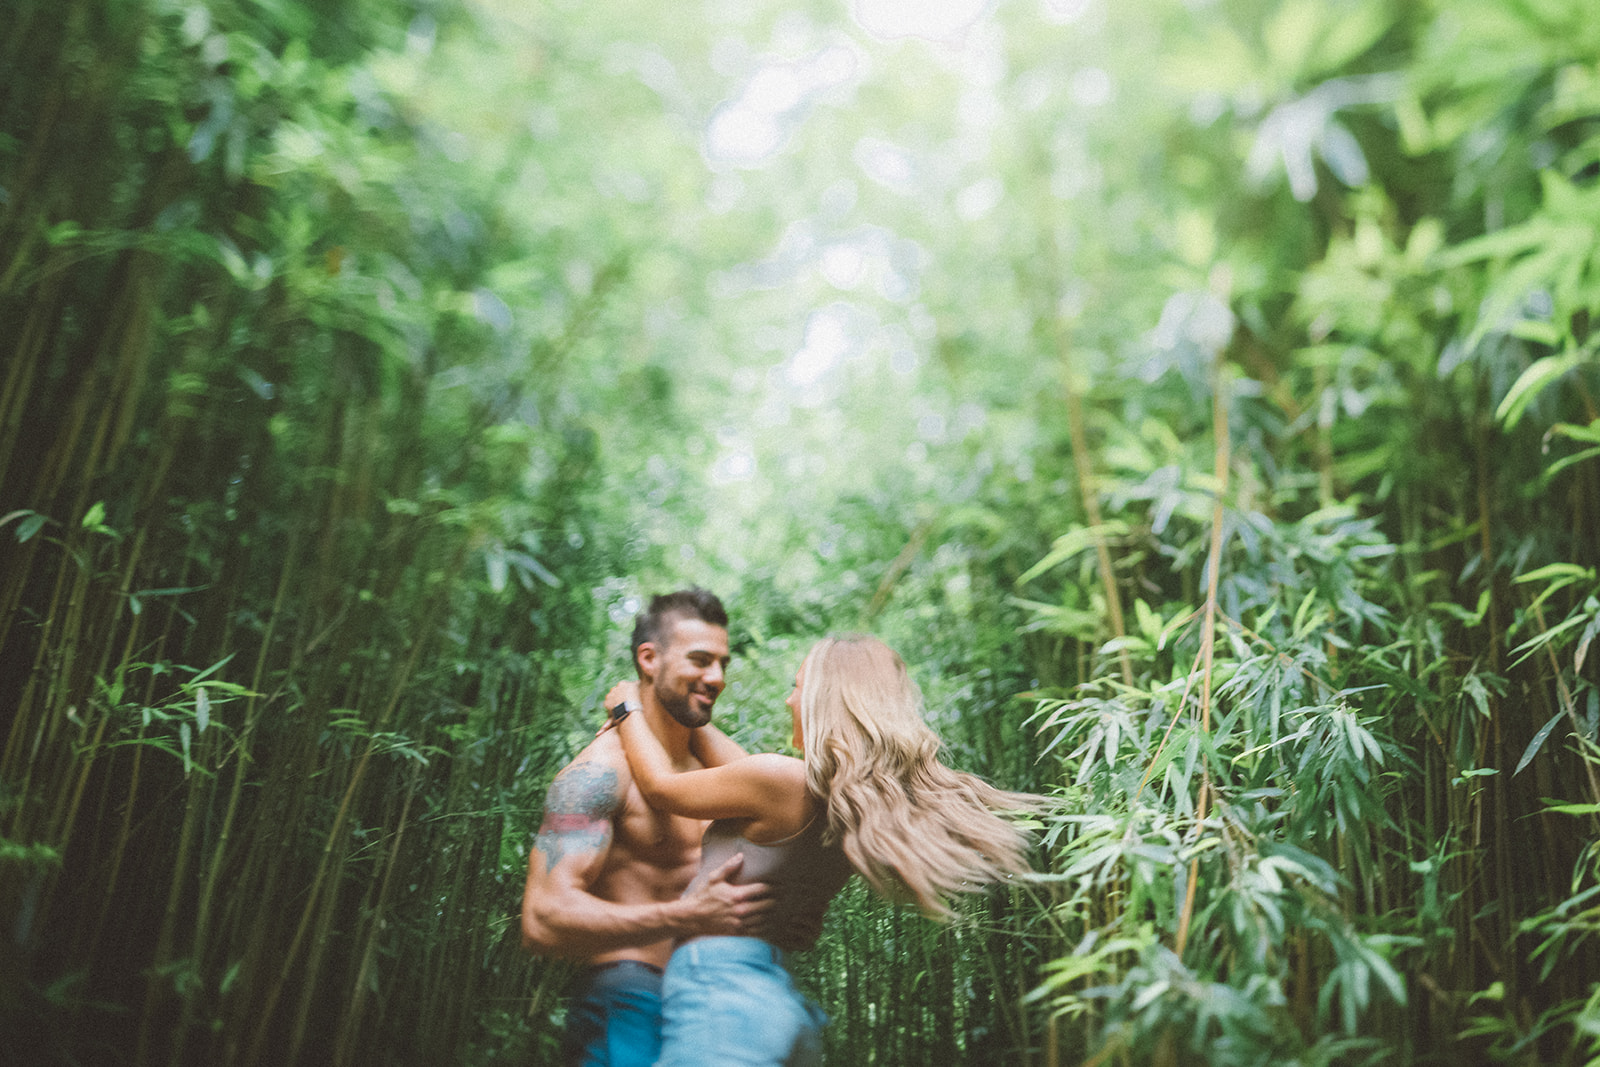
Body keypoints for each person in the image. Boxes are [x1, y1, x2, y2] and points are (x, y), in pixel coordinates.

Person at [603, 633, 1042, 1066]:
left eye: (797, 687)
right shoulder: (851, 806)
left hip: (722, 992)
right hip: (776, 995)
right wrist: (675, 700)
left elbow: (661, 788)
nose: (790, 701)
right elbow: (732, 764)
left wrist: (628, 707)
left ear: (822, 699)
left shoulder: (781, 782)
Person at [521, 589, 780, 1067]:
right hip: (630, 997)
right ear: (649, 659)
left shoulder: (712, 771)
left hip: (713, 1005)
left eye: (723, 663)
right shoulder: (600, 773)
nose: (717, 678)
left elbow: (786, 804)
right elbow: (542, 918)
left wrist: (648, 712)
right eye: (700, 661)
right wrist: (687, 915)